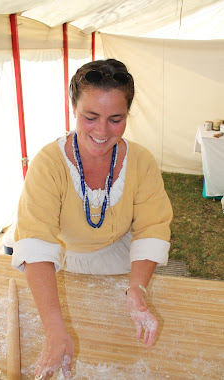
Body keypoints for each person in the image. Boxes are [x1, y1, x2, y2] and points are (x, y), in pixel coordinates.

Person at [12, 58, 173, 379]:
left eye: (116, 119)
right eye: (90, 117)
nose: (102, 131)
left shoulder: (141, 161)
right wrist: (55, 328)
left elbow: (151, 227)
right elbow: (36, 241)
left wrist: (137, 287)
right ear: (73, 108)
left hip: (120, 256)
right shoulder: (48, 163)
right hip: (61, 258)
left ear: (128, 115)